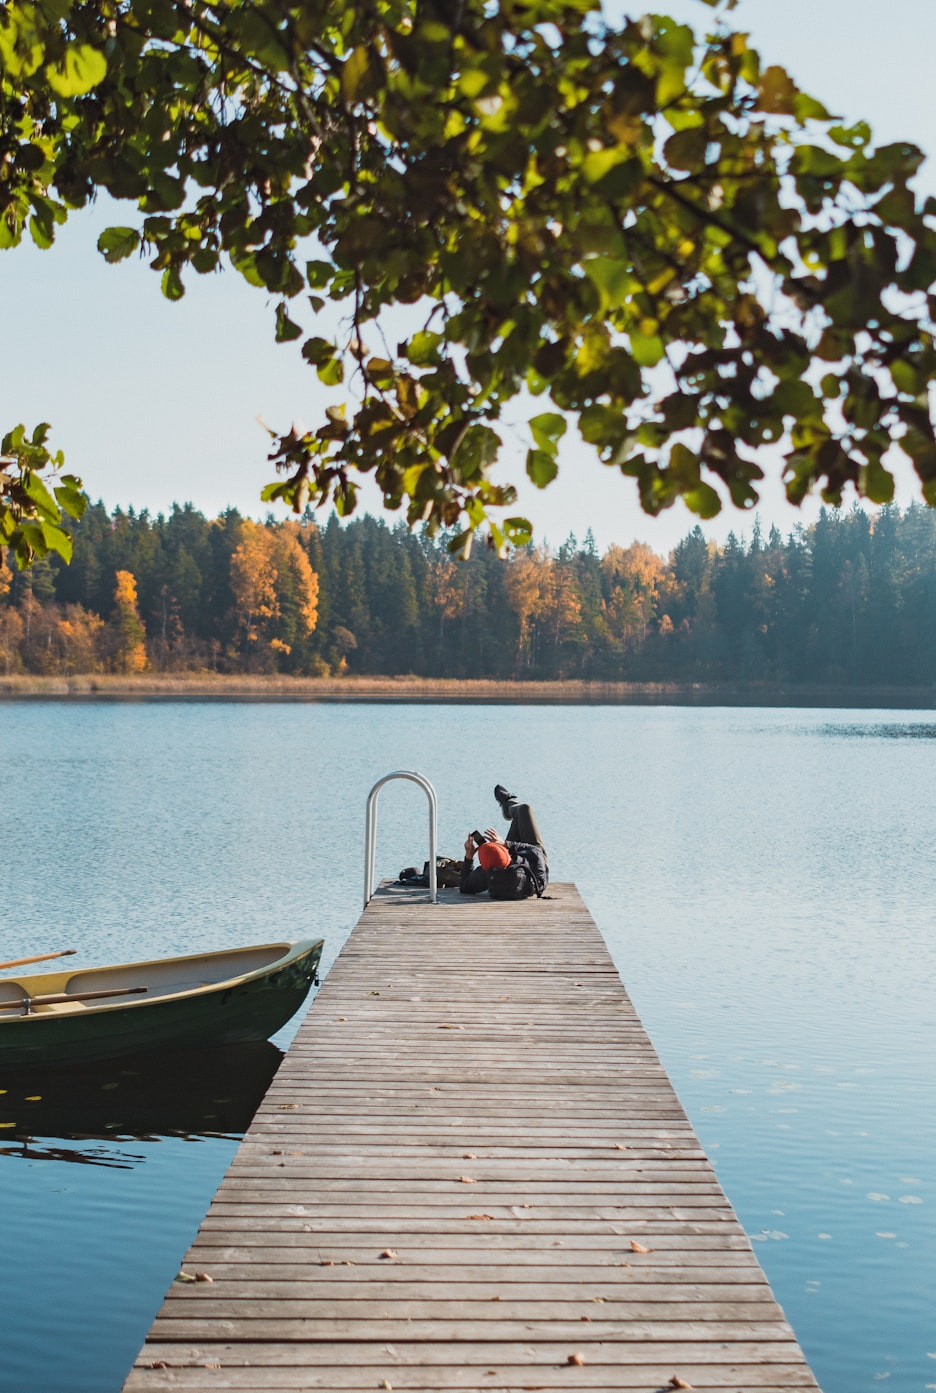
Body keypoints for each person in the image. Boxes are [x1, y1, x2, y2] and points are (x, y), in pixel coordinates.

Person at [460, 785, 549, 899]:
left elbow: (464, 886)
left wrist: (469, 856)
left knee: (520, 817)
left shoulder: (485, 874)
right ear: (507, 854)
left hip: (507, 868)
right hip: (530, 861)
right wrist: (505, 844)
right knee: (524, 809)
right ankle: (508, 803)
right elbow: (536, 850)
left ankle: (507, 806)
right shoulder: (535, 861)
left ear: (485, 867)